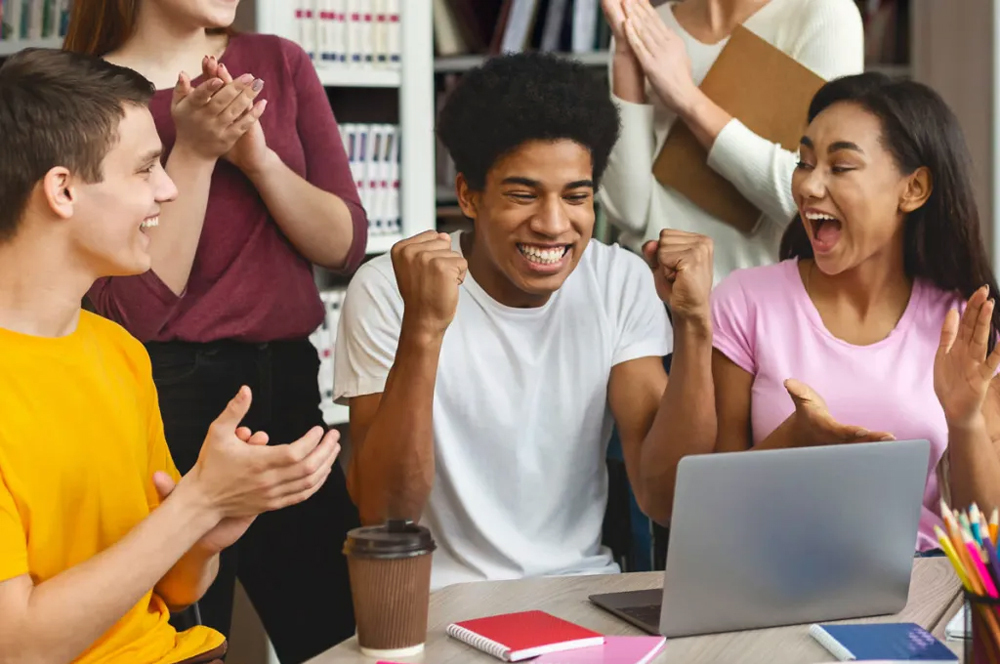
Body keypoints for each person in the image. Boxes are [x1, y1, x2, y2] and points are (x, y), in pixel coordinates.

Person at [0, 48, 341, 664]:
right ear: (63, 190)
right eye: (145, 169)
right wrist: (197, 503)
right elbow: (18, 647)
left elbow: (178, 591)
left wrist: (210, 529)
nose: (168, 188)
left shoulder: (119, 352)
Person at [333, 52, 717, 590]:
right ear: (468, 195)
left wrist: (695, 326)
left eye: (576, 197)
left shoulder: (618, 281)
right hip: (441, 603)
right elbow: (386, 516)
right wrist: (423, 329)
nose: (554, 224)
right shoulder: (389, 289)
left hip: (582, 591)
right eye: (523, 194)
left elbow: (667, 499)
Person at [708, 72, 1000, 553]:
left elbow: (984, 531)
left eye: (840, 166)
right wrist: (792, 441)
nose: (808, 185)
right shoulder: (744, 302)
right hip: (774, 576)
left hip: (919, 582)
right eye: (804, 162)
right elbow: (715, 511)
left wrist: (965, 418)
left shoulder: (957, 319)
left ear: (914, 189)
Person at [598, 0, 864, 282]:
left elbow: (819, 203)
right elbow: (629, 213)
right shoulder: (649, 27)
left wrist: (688, 99)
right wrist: (626, 55)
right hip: (655, 301)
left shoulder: (823, 13)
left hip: (763, 306)